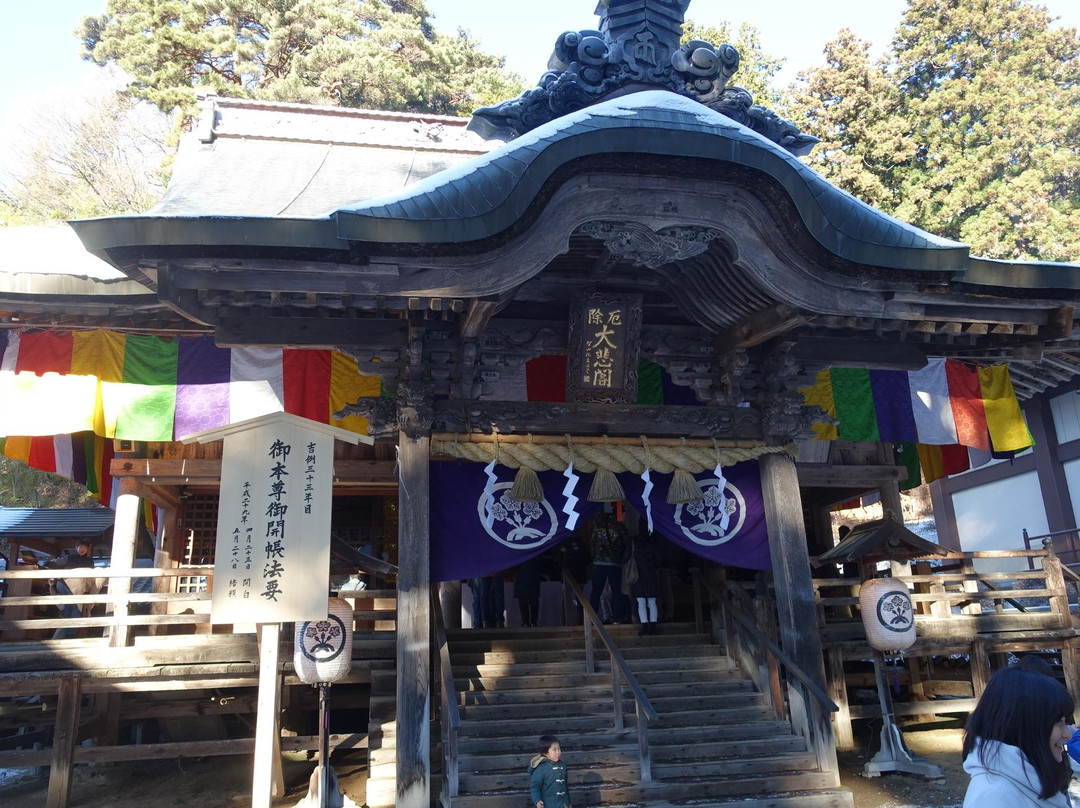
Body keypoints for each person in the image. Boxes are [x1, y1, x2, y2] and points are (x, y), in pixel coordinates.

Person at [962, 665, 1073, 807]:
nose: (1068, 734)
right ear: (1026, 724)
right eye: (1059, 721)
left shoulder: (1027, 781)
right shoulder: (994, 796)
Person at [39, 538, 96, 640]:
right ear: (76, 548)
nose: (82, 549)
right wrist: (44, 565)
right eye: (80, 547)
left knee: (71, 608)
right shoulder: (69, 558)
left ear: (87, 549)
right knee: (73, 607)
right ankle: (69, 635)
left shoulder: (89, 562)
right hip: (65, 584)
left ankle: (65, 635)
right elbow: (54, 563)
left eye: (85, 547)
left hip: (79, 586)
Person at [588, 512, 628, 624]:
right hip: (614, 562)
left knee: (596, 591)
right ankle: (617, 618)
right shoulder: (619, 526)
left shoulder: (598, 526)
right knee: (616, 591)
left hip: (599, 562)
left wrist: (594, 557)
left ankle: (592, 618)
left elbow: (592, 542)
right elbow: (625, 541)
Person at [625, 529, 663, 635]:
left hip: (637, 576)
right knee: (652, 602)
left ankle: (645, 626)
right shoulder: (653, 543)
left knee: (641, 602)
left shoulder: (633, 543)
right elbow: (659, 561)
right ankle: (653, 627)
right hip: (651, 575)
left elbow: (625, 557)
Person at [528, 734, 570, 808]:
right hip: (549, 804)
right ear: (545, 753)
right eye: (554, 750)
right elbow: (535, 787)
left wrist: (568, 803)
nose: (558, 752)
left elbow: (565, 786)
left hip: (564, 804)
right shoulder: (541, 769)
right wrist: (537, 800)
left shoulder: (563, 766)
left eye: (559, 749)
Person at [513, 556, 543, 628]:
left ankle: (527, 622)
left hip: (524, 570)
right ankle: (532, 622)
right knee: (531, 599)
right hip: (531, 570)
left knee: (526, 599)